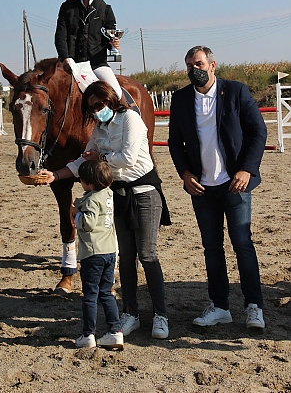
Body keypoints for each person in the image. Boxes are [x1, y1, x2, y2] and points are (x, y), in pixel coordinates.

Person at [42, 81, 171, 340]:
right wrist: (55, 175)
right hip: (119, 194)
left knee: (147, 254)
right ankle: (131, 313)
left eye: (99, 105)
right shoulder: (99, 129)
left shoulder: (130, 120)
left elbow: (127, 158)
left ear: (111, 100)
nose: (97, 111)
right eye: (91, 109)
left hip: (144, 192)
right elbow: (82, 160)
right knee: (126, 256)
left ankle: (160, 314)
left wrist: (99, 158)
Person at [168, 45, 267, 329]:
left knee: (242, 244)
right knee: (212, 248)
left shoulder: (236, 91)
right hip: (201, 187)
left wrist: (247, 169)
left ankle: (254, 306)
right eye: (188, 65)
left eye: (198, 63)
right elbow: (175, 141)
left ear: (212, 65)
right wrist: (185, 173)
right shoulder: (181, 99)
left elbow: (258, 131)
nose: (193, 70)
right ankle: (220, 306)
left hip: (235, 184)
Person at [71, 159, 123, 350]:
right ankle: (115, 331)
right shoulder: (108, 194)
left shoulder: (92, 200)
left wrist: (76, 215)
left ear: (90, 183)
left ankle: (88, 334)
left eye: (82, 181)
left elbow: (89, 223)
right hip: (109, 251)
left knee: (90, 295)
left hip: (93, 253)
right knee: (106, 293)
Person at [54, 0, 122, 98]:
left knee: (118, 94)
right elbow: (60, 36)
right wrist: (65, 58)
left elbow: (109, 37)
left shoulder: (105, 9)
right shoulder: (67, 7)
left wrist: (113, 44)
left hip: (97, 64)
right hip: (72, 64)